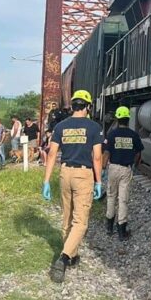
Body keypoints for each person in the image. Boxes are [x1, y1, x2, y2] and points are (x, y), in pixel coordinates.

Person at [41, 90, 103, 284]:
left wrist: (46, 181)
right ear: (87, 106)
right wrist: (99, 181)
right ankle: (64, 258)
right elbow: (97, 157)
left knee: (67, 217)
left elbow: (51, 154)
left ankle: (73, 254)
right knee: (80, 221)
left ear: (73, 105)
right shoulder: (94, 127)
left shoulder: (61, 126)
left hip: (65, 173)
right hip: (83, 174)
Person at [103, 106, 143, 240]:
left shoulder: (112, 134)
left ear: (117, 119)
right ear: (128, 119)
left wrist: (103, 167)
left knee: (111, 196)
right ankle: (122, 231)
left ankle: (109, 227)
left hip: (113, 168)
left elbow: (107, 152)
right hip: (126, 169)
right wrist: (134, 163)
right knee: (123, 199)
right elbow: (138, 152)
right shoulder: (133, 135)